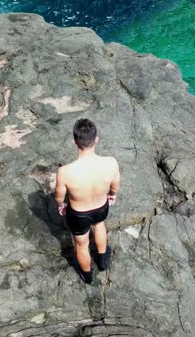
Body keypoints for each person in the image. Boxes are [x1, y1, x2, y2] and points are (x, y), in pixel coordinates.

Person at [54, 118, 121, 284]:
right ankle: (102, 261)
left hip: (78, 214)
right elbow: (115, 185)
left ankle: (87, 275)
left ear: (74, 142)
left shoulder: (65, 172)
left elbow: (59, 196)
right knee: (99, 226)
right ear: (96, 139)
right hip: (101, 207)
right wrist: (112, 194)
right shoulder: (110, 162)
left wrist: (61, 205)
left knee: (81, 244)